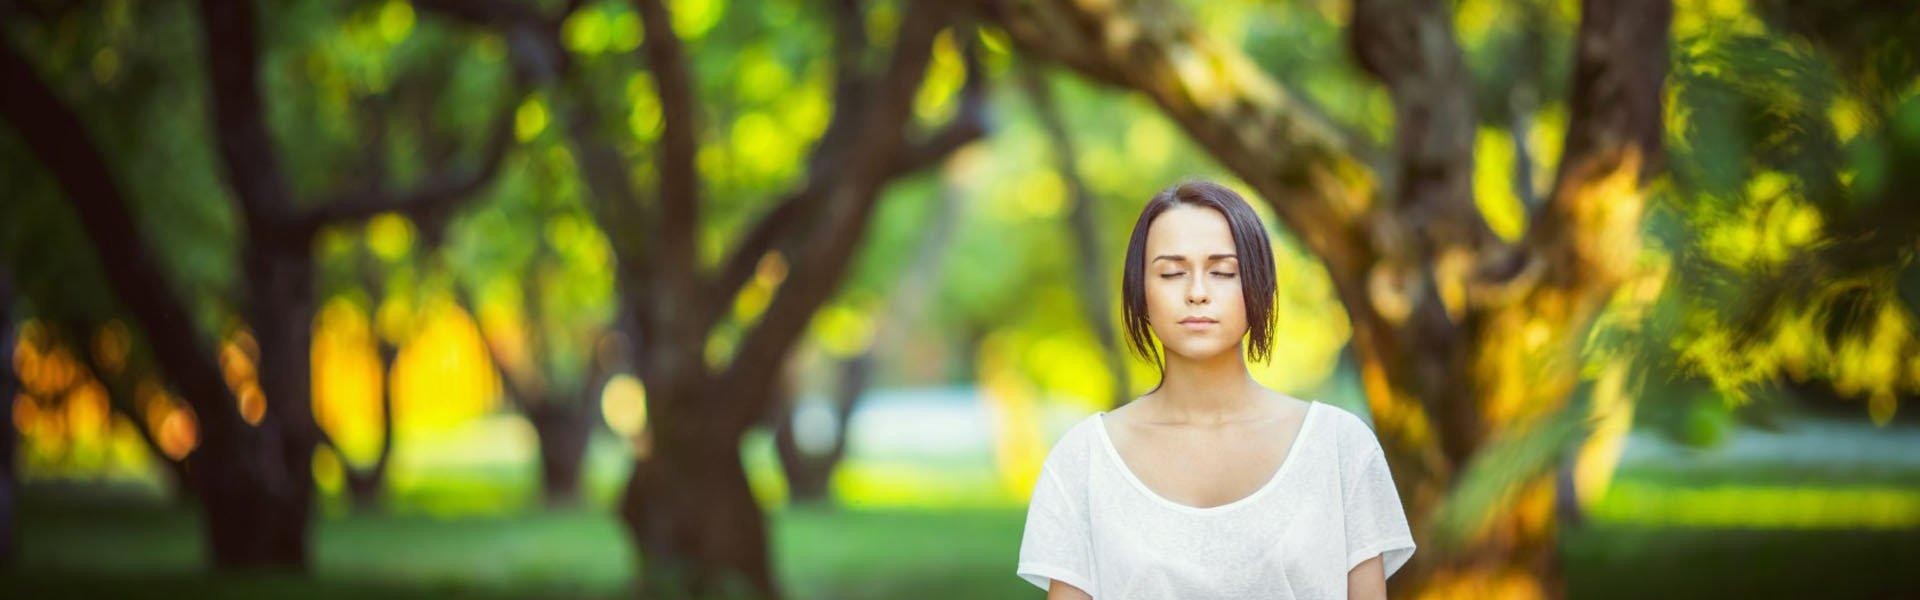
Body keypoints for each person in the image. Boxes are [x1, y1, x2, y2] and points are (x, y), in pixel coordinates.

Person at [1016, 180, 1415, 599]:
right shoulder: (1083, 461)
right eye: (1172, 273)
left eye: (1223, 272)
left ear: (1259, 286)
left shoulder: (1340, 448)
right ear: (1140, 292)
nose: (1197, 293)